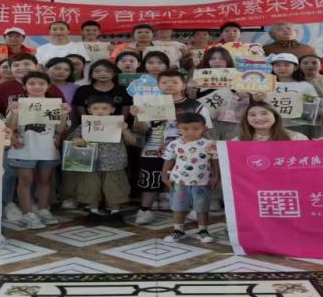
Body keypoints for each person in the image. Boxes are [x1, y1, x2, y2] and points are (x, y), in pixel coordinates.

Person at [131, 70, 213, 224]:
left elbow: (206, 127)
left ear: (183, 85)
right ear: (158, 85)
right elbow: (141, 130)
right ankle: (144, 210)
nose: (169, 85)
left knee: (189, 177)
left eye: (174, 82)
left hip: (188, 151)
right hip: (153, 148)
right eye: (164, 82)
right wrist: (137, 116)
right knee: (152, 179)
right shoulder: (149, 104)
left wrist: (185, 136)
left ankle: (193, 209)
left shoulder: (195, 105)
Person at [5, 72, 71, 229]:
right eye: (32, 83)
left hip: (47, 149)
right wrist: (14, 113)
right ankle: (27, 213)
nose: (36, 87)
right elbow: (10, 128)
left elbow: (60, 129)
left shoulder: (55, 104)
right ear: (24, 86)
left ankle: (43, 209)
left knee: (45, 181)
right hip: (24, 148)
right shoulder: (18, 104)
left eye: (41, 83)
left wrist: (63, 114)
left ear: (48, 86)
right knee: (25, 181)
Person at [70, 95, 137, 227]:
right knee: (91, 186)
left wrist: (125, 130)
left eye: (105, 108)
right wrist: (78, 141)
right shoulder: (85, 125)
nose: (100, 111)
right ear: (89, 110)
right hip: (90, 162)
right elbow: (73, 139)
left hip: (114, 162)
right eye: (96, 108)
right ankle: (93, 212)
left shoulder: (118, 124)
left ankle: (115, 212)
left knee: (114, 187)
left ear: (112, 110)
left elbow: (133, 141)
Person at [162, 112, 218, 244]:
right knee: (178, 207)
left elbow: (214, 162)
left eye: (196, 129)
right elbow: (169, 160)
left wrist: (216, 177)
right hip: (179, 181)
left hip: (203, 182)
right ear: (178, 128)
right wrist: (164, 176)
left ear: (204, 128)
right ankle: (178, 230)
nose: (190, 132)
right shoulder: (174, 144)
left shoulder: (209, 144)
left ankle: (203, 231)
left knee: (202, 207)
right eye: (185, 128)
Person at [71, 60, 133, 125]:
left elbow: (125, 111)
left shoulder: (123, 90)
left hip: (117, 126)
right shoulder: (82, 90)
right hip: (89, 126)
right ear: (91, 74)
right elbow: (81, 113)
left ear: (114, 73)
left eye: (108, 71)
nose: (103, 74)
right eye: (97, 71)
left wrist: (116, 125)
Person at [235, 101, 308, 141]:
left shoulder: (297, 138)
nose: (259, 118)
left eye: (264, 113)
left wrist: (314, 147)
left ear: (275, 116)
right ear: (246, 119)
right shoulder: (237, 141)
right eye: (252, 115)